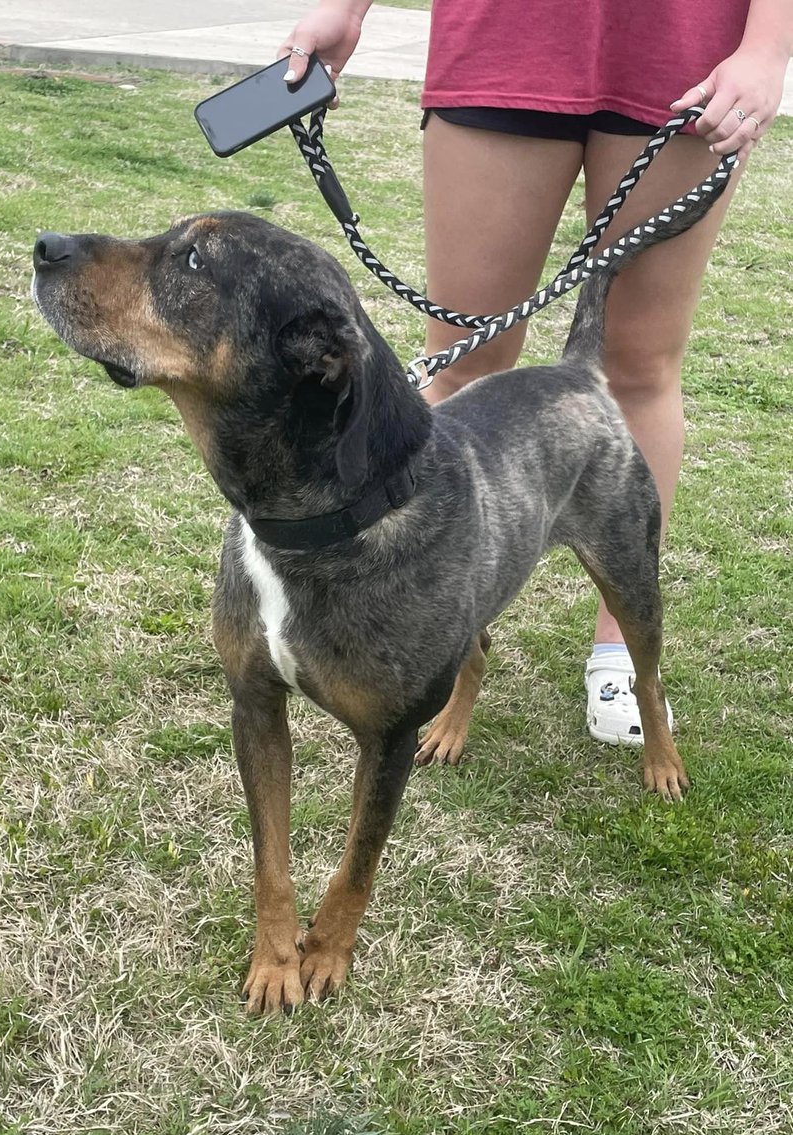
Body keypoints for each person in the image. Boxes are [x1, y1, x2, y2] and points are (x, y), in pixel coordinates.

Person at [278, 0, 791, 745]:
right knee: (462, 355)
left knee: (638, 366)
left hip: (684, 44)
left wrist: (768, 47)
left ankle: (619, 646)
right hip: (506, 34)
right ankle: (432, 614)